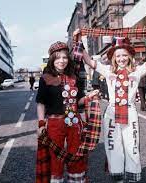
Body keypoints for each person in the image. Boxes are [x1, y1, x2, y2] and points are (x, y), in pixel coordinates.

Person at [73, 27, 146, 182]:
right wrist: (79, 41)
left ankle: (132, 177)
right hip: (112, 113)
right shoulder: (107, 70)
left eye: (124, 55)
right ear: (113, 58)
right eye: (118, 56)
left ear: (130, 57)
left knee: (132, 146)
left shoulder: (137, 71)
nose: (121, 59)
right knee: (114, 146)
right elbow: (88, 60)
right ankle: (117, 177)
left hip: (130, 112)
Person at [36, 41, 99, 182]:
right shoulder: (45, 78)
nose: (61, 61)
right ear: (52, 59)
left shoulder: (73, 77)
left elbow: (78, 101)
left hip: (74, 122)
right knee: (55, 157)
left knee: (76, 155)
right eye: (58, 58)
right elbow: (41, 103)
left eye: (64, 57)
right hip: (54, 123)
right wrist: (41, 123)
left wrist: (89, 97)